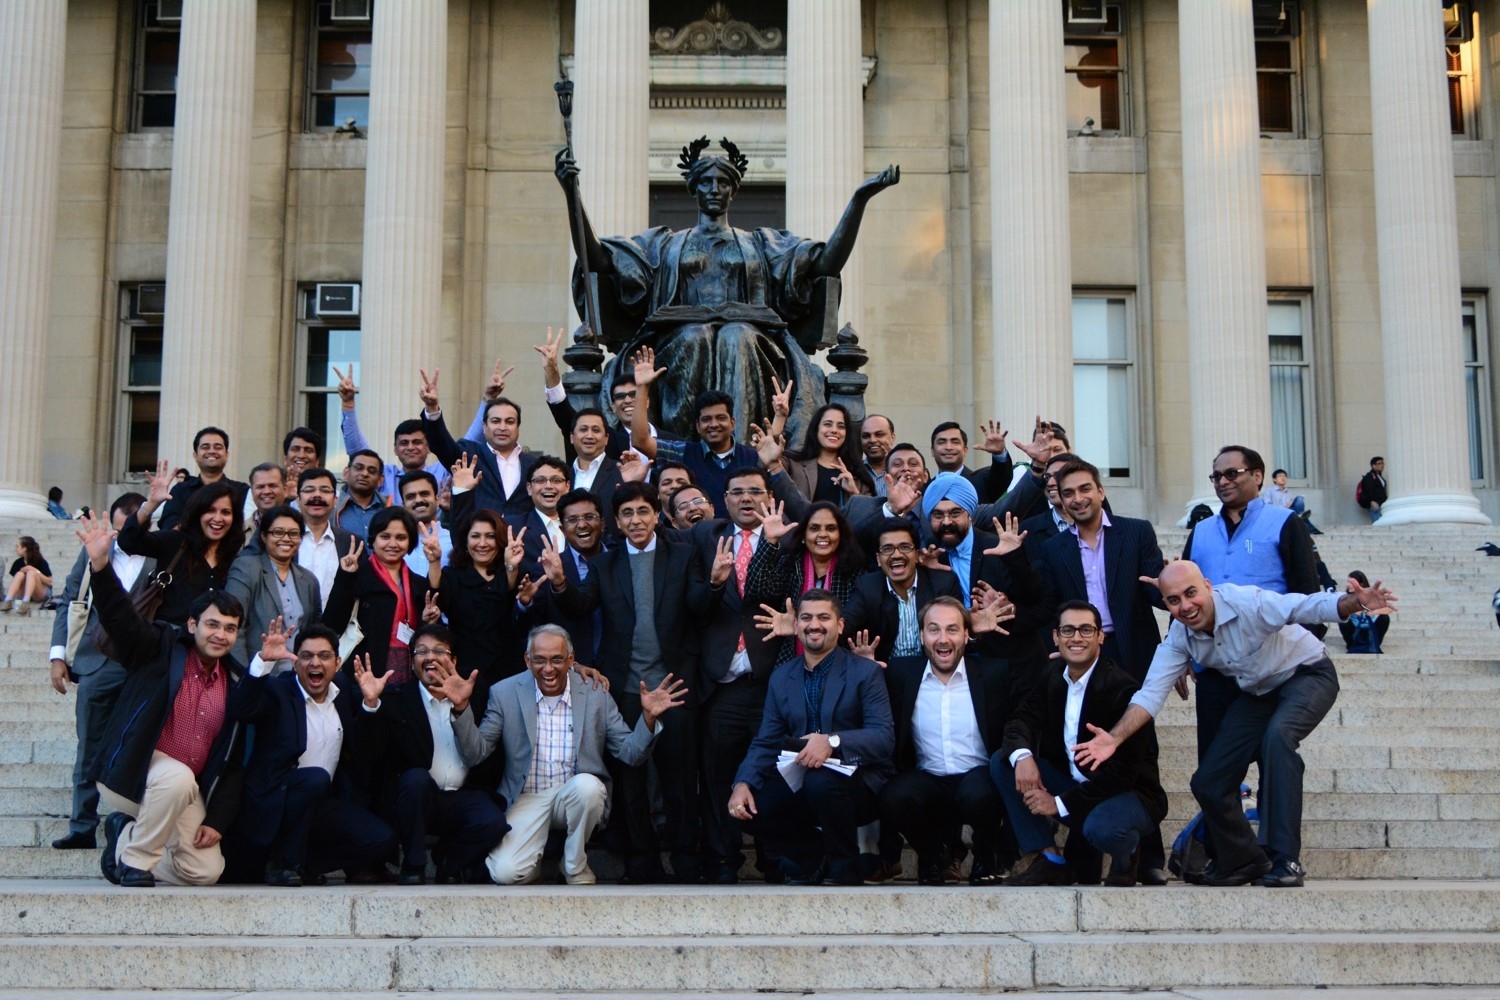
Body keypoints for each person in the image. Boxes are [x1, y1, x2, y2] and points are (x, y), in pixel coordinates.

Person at [1074, 561, 1398, 888]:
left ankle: (1285, 859)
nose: (1185, 607)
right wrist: (1114, 739)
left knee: (1278, 738)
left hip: (1308, 674)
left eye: (1191, 593)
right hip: (1259, 692)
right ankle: (1244, 860)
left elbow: (1304, 605)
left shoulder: (1248, 603)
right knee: (1208, 781)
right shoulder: (1180, 636)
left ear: (1208, 586)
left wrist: (1355, 602)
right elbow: (1151, 693)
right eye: (1174, 601)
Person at [556, 136, 899, 444]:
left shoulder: (761, 244)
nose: (714, 189)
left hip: (752, 338)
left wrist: (858, 201)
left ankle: (744, 446)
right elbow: (599, 259)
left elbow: (824, 264)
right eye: (706, 182)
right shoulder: (665, 245)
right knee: (695, 336)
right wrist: (573, 196)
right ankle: (683, 446)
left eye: (722, 182)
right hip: (677, 337)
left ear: (734, 190)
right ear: (693, 189)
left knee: (737, 336)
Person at [541, 482, 732, 883]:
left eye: (643, 511)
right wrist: (559, 582)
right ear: (617, 521)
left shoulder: (682, 556)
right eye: (627, 514)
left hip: (675, 687)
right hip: (624, 689)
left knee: (680, 779)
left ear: (655, 514)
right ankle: (640, 862)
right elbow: (580, 606)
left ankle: (685, 861)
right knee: (630, 782)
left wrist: (715, 582)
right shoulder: (605, 565)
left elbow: (699, 608)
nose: (636, 520)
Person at [77, 513, 250, 889]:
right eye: (212, 624)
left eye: (229, 628)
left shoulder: (234, 682)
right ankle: (137, 863)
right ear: (193, 625)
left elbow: (233, 761)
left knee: (205, 871)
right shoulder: (160, 649)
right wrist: (101, 567)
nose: (220, 635)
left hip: (181, 792)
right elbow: (122, 620)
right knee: (177, 776)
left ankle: (123, 843)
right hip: (135, 773)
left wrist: (216, 820)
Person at [444, 624, 687, 885]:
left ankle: (574, 866)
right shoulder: (504, 693)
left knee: (588, 787)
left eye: (557, 659)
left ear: (571, 659)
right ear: (528, 660)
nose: (548, 669)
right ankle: (546, 869)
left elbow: (630, 753)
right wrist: (460, 710)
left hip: (576, 795)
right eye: (539, 660)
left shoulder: (596, 694)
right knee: (506, 873)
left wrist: (647, 719)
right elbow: (475, 754)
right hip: (526, 797)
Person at [993, 601, 1168, 888]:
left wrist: (1057, 803)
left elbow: (1123, 775)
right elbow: (1021, 719)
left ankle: (1128, 857)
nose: (1076, 638)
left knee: (1102, 829)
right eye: (1068, 630)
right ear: (1055, 637)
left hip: (1126, 794)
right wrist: (1023, 757)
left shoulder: (1122, 688)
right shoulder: (1052, 676)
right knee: (1004, 760)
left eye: (1086, 630)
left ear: (1101, 636)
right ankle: (1048, 858)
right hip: (1075, 785)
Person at [729, 590, 895, 885]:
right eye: (806, 618)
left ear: (840, 625)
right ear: (796, 625)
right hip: (803, 778)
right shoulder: (782, 676)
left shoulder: (865, 672)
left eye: (823, 618)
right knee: (745, 805)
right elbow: (767, 741)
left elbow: (883, 737)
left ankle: (845, 869)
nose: (813, 625)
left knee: (820, 782)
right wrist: (742, 783)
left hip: (859, 781)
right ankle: (815, 856)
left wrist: (831, 742)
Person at [221, 623, 397, 886]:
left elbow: (367, 752)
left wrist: (370, 705)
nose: (315, 663)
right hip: (275, 802)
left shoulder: (342, 693)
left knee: (381, 838)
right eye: (306, 656)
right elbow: (239, 709)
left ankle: (303, 864)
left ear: (337, 663)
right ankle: (283, 863)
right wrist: (262, 663)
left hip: (320, 805)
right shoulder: (278, 690)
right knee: (314, 778)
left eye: (324, 656)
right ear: (295, 662)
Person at [684, 469, 785, 883]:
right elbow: (689, 605)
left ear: (769, 496)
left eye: (755, 492)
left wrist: (774, 545)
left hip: (770, 681)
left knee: (772, 773)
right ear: (723, 500)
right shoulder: (702, 538)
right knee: (717, 777)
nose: (746, 499)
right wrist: (712, 584)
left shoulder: (786, 538)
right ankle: (723, 860)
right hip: (721, 683)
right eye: (738, 492)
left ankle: (774, 857)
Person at [353, 623, 509, 885]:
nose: (430, 657)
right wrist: (370, 705)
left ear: (454, 660)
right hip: (412, 801)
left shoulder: (475, 696)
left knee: (493, 822)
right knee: (416, 779)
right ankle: (413, 865)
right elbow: (367, 753)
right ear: (412, 661)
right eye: (421, 651)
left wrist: (461, 708)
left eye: (439, 651)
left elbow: (481, 755)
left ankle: (449, 862)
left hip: (459, 797)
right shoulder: (395, 699)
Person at [879, 598, 1011, 886]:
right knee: (894, 797)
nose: (943, 638)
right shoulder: (900, 674)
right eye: (934, 629)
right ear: (922, 635)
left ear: (967, 634)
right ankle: (932, 857)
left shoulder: (992, 673)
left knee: (981, 795)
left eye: (952, 629)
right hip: (929, 777)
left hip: (977, 776)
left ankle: (985, 857)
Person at [47, 492, 152, 850]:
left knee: (144, 747)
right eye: (121, 529)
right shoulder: (95, 549)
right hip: (96, 664)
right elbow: (69, 600)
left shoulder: (161, 555)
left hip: (143, 666)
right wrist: (58, 655)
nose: (126, 536)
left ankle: (138, 827)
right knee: (89, 747)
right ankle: (82, 825)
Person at [1035, 459, 1165, 681]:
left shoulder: (1137, 532)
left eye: (1085, 489)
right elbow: (1048, 607)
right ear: (1063, 502)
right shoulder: (1054, 548)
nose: (1078, 499)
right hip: (1081, 650)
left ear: (1101, 492)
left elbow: (1154, 591)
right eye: (1068, 493)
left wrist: (1170, 588)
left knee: (1136, 715)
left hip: (1132, 649)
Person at [631, 355, 761, 519]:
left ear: (733, 423)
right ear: (698, 426)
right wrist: (642, 388)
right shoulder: (682, 453)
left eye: (720, 418)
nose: (714, 424)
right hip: (697, 539)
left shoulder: (752, 457)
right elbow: (640, 440)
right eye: (706, 419)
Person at [322, 506, 439, 687]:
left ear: (410, 543)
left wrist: (426, 621)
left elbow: (430, 627)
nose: (392, 544)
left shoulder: (418, 583)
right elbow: (331, 624)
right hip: (364, 672)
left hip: (410, 672)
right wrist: (345, 576)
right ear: (373, 540)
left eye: (401, 538)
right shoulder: (357, 576)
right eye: (385, 537)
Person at [224, 507, 353, 669]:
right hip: (257, 674)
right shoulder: (246, 568)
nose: (286, 539)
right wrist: (244, 678)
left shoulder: (308, 580)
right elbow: (233, 627)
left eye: (293, 533)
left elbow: (314, 631)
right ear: (264, 536)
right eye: (278, 532)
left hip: (297, 678)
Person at [118, 462, 244, 626]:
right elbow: (128, 540)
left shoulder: (234, 555)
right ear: (198, 513)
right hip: (170, 643)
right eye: (210, 510)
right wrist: (151, 504)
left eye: (226, 512)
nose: (218, 519)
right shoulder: (176, 541)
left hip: (212, 645)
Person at [744, 499, 865, 666]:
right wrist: (770, 541)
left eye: (830, 528)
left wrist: (801, 626)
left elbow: (853, 620)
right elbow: (757, 589)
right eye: (814, 528)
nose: (823, 534)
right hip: (792, 661)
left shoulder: (855, 570)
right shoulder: (790, 564)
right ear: (803, 536)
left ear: (841, 535)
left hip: (842, 664)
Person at [840, 519, 965, 665]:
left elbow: (959, 636)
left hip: (934, 671)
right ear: (878, 559)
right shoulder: (867, 587)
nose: (896, 555)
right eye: (887, 549)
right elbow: (841, 630)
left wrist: (974, 633)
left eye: (905, 547)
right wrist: (859, 662)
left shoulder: (943, 584)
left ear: (918, 555)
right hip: (885, 672)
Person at [420, 368, 538, 519]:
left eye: (510, 422)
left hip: (521, 540)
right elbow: (440, 444)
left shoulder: (533, 465)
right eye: (496, 421)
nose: (502, 427)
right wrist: (432, 408)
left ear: (518, 427)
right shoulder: (469, 457)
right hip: (479, 539)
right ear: (484, 427)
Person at [537, 326, 658, 464]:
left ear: (646, 401)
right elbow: (564, 414)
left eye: (633, 394)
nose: (627, 400)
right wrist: (551, 370)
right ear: (613, 407)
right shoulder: (606, 439)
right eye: (619, 397)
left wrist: (643, 385)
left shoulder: (673, 441)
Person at [430, 506, 523, 684]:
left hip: (510, 672)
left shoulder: (514, 573)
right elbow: (437, 599)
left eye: (490, 536)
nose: (482, 543)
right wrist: (434, 561)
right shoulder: (453, 575)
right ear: (465, 540)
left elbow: (515, 607)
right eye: (475, 536)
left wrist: (512, 567)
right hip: (466, 672)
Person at [335, 364, 451, 500]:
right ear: (395, 449)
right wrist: (348, 404)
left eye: (417, 442)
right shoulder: (385, 476)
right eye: (403, 443)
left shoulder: (442, 472)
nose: (410, 447)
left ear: (429, 447)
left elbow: (466, 446)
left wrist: (433, 408)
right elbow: (358, 452)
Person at [157, 427, 250, 532]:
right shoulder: (180, 490)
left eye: (218, 447)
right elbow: (169, 526)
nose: (211, 451)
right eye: (205, 447)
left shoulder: (241, 490)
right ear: (195, 455)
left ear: (226, 455)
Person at [783, 402, 876, 503]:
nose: (834, 430)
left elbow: (869, 515)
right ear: (816, 429)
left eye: (841, 426)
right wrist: (780, 417)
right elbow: (769, 469)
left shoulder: (857, 475)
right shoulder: (793, 464)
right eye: (828, 424)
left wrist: (854, 492)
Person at [290, 467, 357, 606]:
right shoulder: (282, 539)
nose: (317, 496)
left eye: (325, 491)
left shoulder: (350, 543)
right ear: (297, 499)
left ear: (335, 501)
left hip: (336, 625)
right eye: (309, 490)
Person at [928, 420, 1014, 504]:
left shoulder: (983, 482)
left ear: (965, 450)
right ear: (932, 451)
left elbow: (1001, 477)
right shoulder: (926, 488)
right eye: (942, 442)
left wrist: (999, 454)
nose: (948, 447)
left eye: (955, 442)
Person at [398, 469, 453, 575]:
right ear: (403, 505)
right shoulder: (394, 544)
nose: (418, 500)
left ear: (437, 499)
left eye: (424, 494)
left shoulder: (453, 540)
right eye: (411, 497)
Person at [334, 449, 387, 542]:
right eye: (359, 468)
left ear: (380, 480)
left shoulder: (389, 509)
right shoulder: (332, 507)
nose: (364, 474)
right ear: (346, 473)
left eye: (371, 471)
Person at [1339, 571, 1390, 653]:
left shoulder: (1371, 595)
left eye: (1351, 583)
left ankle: (1375, 643)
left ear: (1361, 584)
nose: (1348, 585)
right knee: (1342, 617)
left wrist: (1372, 611)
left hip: (1370, 627)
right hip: (1354, 629)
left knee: (1384, 617)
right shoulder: (1344, 597)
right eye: (1348, 582)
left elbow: (1387, 609)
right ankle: (1351, 644)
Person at [2, 535, 52, 615]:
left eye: (18, 546)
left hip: (39, 594)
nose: (16, 549)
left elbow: (50, 582)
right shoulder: (17, 563)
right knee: (19, 574)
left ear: (24, 548)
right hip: (23, 593)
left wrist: (34, 570)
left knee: (31, 573)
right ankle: (8, 600)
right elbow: (16, 584)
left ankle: (26, 601)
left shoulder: (40, 561)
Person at [1264, 468, 1322, 534]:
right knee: (1297, 513)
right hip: (1277, 515)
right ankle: (1303, 520)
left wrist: (1290, 504)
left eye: (1284, 476)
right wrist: (1285, 507)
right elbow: (1267, 507)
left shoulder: (1289, 493)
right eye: (1280, 476)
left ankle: (1299, 516)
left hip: (1289, 513)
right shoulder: (1269, 491)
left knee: (1299, 498)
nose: (1282, 478)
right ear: (1274, 479)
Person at [244, 463, 290, 538]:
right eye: (260, 487)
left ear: (285, 490)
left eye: (273, 486)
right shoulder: (237, 532)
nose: (266, 491)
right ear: (252, 492)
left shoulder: (300, 528)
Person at [859, 414, 896, 498]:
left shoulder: (905, 472)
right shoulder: (853, 473)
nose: (872, 440)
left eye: (879, 434)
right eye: (866, 436)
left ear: (892, 438)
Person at [1358, 456, 1388, 523]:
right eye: (1379, 463)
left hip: (1381, 504)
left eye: (1382, 463)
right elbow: (1367, 490)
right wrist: (1372, 501)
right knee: (1377, 524)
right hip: (1375, 505)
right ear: (1373, 465)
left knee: (1382, 523)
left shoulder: (1379, 477)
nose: (1382, 465)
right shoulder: (1369, 477)